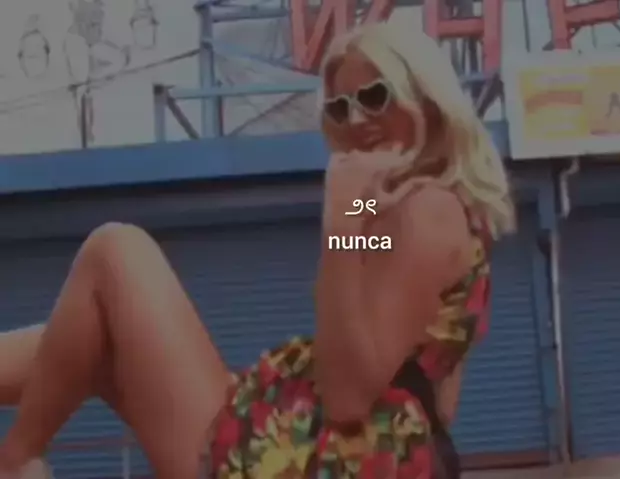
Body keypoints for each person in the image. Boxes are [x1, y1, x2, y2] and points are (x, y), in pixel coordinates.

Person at [0, 22, 514, 479]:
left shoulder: (427, 211)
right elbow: (439, 389)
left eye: (375, 96)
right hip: (305, 440)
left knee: (116, 251)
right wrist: (353, 222)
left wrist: (339, 220)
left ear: (424, 98)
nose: (357, 119)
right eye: (341, 107)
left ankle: (15, 462)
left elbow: (346, 399)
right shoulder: (420, 210)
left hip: (297, 459)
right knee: (86, 340)